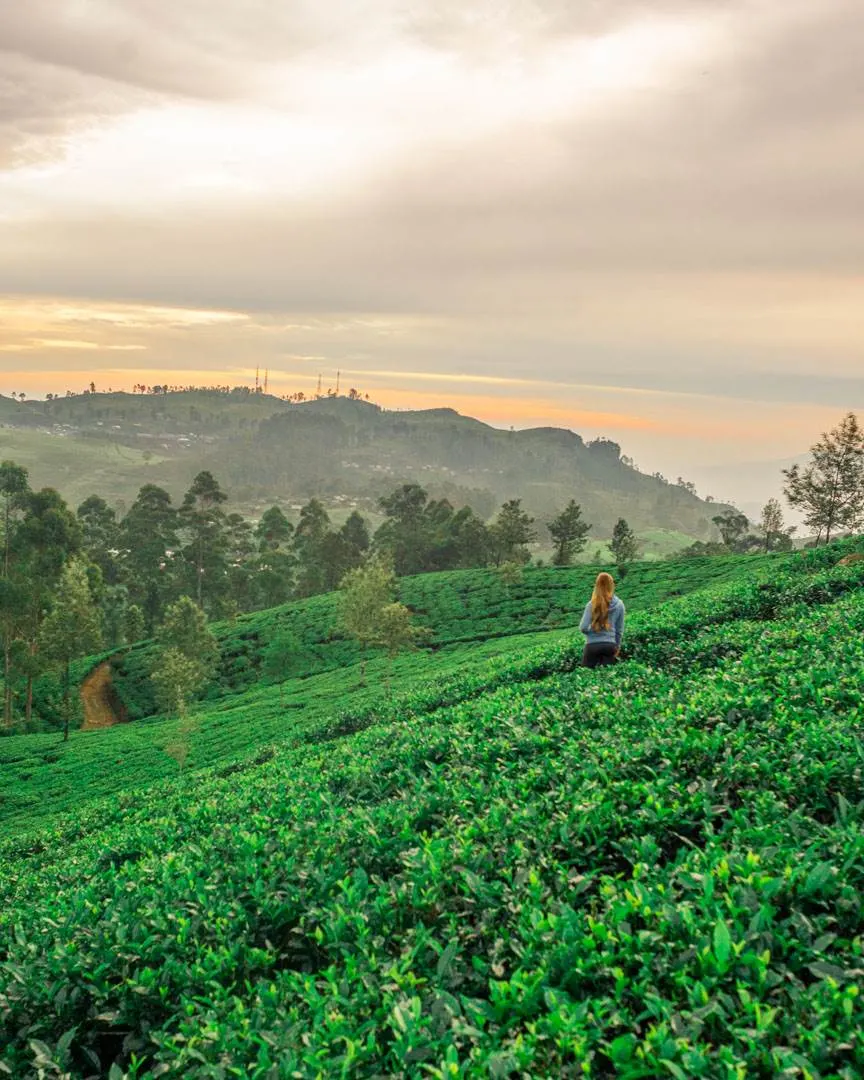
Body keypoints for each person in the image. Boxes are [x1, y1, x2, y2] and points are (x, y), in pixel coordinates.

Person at [579, 571, 625, 668]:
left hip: (592, 645)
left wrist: (593, 632)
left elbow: (583, 627)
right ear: (612, 585)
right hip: (610, 645)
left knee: (586, 677)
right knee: (607, 678)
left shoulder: (591, 604)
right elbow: (619, 630)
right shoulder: (620, 604)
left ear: (597, 586)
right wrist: (617, 646)